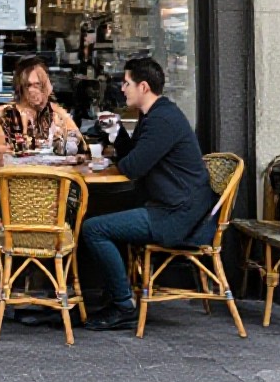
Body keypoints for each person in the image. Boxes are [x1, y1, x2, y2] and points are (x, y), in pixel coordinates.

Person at [83, 57, 217, 331]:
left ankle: (123, 305)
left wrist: (117, 144)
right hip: (174, 207)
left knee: (94, 229)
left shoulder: (162, 121)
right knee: (104, 218)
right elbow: (133, 157)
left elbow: (133, 167)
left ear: (143, 86)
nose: (122, 89)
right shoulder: (155, 115)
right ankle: (116, 292)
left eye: (127, 83)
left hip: (178, 216)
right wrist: (117, 132)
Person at [0, 56, 84, 155]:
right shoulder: (2, 116)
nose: (34, 90)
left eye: (38, 85)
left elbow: (81, 149)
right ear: (20, 87)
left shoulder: (57, 113)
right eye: (28, 85)